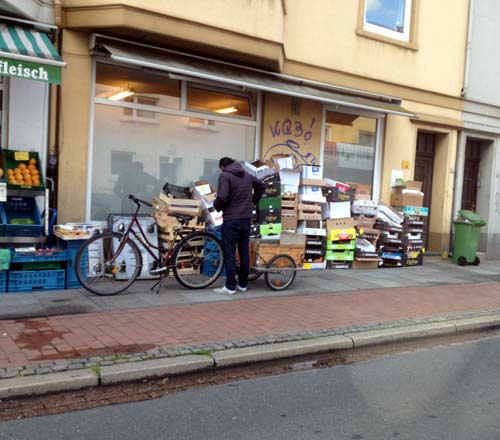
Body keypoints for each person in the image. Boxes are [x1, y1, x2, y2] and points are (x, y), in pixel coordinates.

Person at [213, 157, 265, 295]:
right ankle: (243, 284)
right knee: (243, 251)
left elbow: (222, 197)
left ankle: (230, 287)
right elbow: (261, 185)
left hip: (231, 219)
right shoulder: (246, 175)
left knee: (230, 252)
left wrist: (216, 206)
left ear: (222, 167)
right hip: (246, 218)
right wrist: (252, 202)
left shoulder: (225, 175)